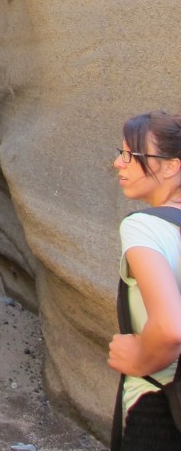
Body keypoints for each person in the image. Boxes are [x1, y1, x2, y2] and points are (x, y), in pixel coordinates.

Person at [109, 111, 181, 449]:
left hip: (158, 407)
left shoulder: (143, 227)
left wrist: (140, 359)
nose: (118, 163)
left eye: (130, 155)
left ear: (171, 166)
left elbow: (170, 329)